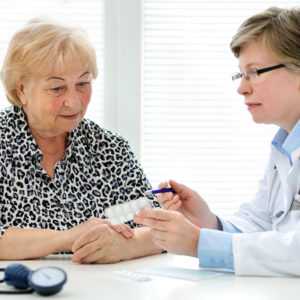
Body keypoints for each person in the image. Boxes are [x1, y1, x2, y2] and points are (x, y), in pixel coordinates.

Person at [134, 6, 300, 277]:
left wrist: (199, 243)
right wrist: (208, 223)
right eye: (241, 74)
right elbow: (262, 222)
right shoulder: (284, 146)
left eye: (255, 72)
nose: (242, 87)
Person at [0, 17, 162, 263]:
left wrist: (124, 247)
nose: (74, 102)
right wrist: (69, 237)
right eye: (57, 88)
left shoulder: (110, 148)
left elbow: (158, 228)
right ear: (21, 90)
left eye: (83, 84)